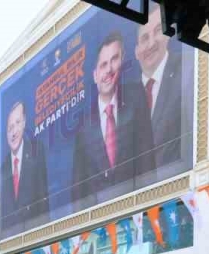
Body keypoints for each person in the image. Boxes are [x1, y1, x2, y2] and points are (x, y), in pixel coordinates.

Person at [71, 31, 152, 208]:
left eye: (114, 60)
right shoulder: (83, 127)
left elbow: (147, 161)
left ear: (121, 62)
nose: (109, 69)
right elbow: (78, 189)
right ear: (95, 75)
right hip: (98, 226)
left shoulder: (136, 98)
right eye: (103, 64)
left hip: (137, 210)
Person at [135, 3, 188, 176]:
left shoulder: (186, 69)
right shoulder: (126, 99)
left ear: (167, 35)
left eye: (158, 31)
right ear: (136, 51)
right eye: (144, 38)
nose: (151, 43)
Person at [0, 99, 49, 235]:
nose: (13, 132)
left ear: (24, 123)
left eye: (17, 123)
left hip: (36, 238)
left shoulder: (36, 151)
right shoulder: (2, 170)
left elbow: (44, 201)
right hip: (11, 245)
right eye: (9, 128)